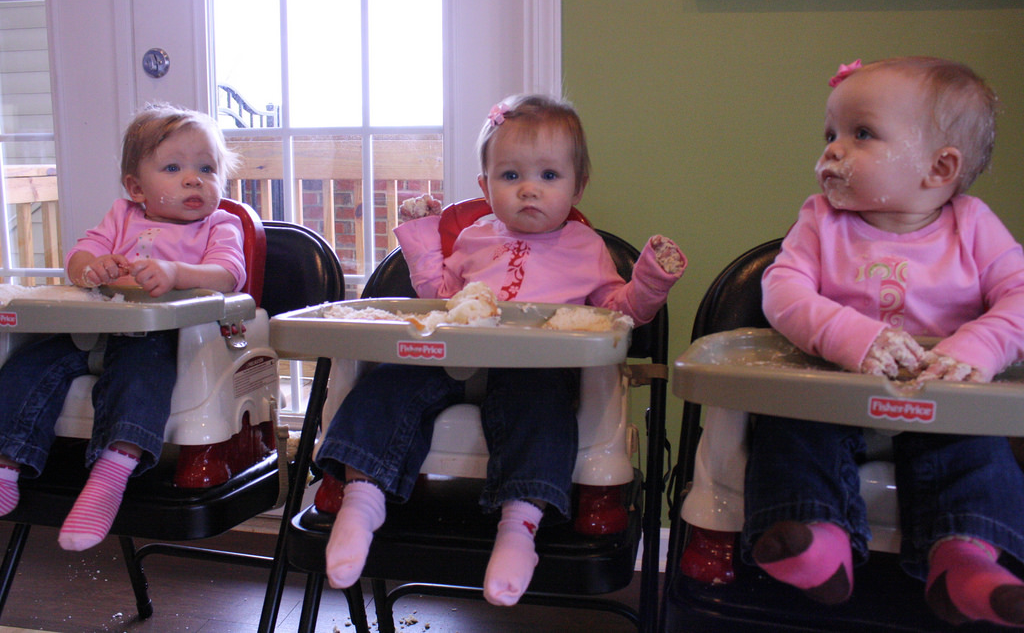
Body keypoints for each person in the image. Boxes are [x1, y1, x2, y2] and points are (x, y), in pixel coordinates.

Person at [316, 93, 686, 606]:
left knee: (539, 407)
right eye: (510, 177)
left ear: (578, 185)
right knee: (388, 383)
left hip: (535, 368)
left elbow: (619, 312)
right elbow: (440, 299)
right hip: (455, 358)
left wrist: (649, 280)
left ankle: (519, 527)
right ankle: (362, 501)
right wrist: (424, 237)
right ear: (485, 186)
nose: (529, 190)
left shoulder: (586, 247)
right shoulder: (473, 236)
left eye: (549, 177)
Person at [745, 57, 1024, 627]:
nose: (833, 150)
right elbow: (783, 291)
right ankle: (817, 541)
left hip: (942, 399)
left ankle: (965, 560)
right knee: (789, 426)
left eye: (861, 133)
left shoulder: (973, 225)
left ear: (939, 167)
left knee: (978, 452)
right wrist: (850, 335)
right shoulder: (821, 220)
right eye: (830, 134)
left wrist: (978, 345)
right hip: (834, 390)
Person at [0, 103, 247, 552]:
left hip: (167, 342)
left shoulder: (220, 225)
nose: (194, 178)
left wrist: (176, 274)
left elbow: (228, 276)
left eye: (207, 168)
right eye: (173, 167)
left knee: (139, 370)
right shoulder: (121, 217)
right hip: (95, 332)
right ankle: (5, 463)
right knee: (28, 362)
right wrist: (92, 268)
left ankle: (111, 472)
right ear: (136, 187)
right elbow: (78, 258)